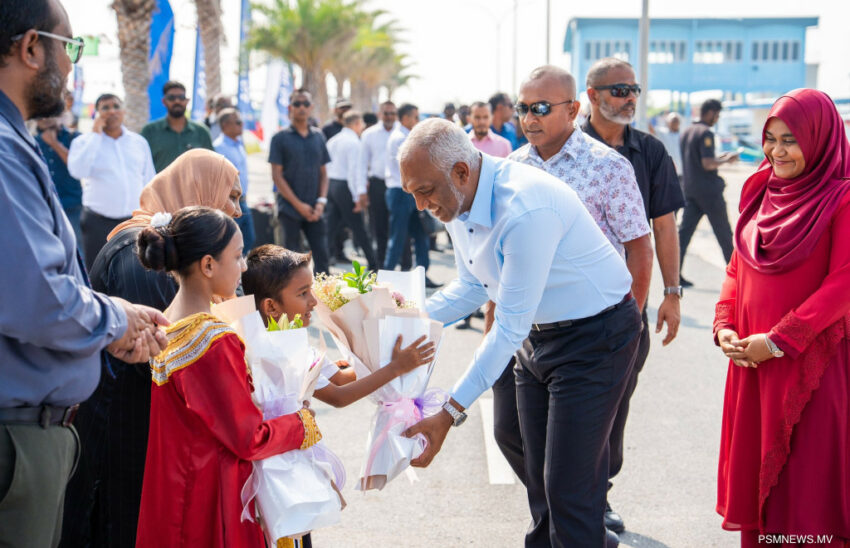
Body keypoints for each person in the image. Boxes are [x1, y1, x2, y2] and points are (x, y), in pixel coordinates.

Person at [401, 119, 642, 547]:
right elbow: (473, 286)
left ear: (461, 171)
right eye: (412, 193)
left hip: (596, 338)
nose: (421, 205)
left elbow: (507, 327)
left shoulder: (524, 208)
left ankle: (584, 534)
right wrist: (403, 318)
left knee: (566, 490)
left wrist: (449, 412)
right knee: (531, 464)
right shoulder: (456, 199)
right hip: (538, 334)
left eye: (425, 191)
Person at [0, 2, 167, 545]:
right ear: (31, 47)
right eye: (68, 46)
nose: (71, 63)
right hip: (16, 438)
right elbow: (39, 298)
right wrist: (116, 318)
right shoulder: (5, 149)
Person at [60, 149, 243, 548]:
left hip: (147, 421)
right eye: (231, 196)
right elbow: (161, 350)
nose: (237, 210)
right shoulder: (139, 253)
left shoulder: (175, 255)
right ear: (199, 190)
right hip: (125, 425)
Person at [506, 67, 652, 526]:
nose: (529, 117)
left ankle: (586, 522)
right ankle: (576, 525)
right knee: (518, 445)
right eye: (523, 108)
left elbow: (639, 246)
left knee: (571, 477)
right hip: (531, 334)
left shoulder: (608, 167)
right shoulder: (512, 168)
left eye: (540, 107)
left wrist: (630, 321)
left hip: (594, 334)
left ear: (573, 109)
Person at [134, 207, 318, 548]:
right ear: (208, 265)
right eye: (237, 256)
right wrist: (301, 424)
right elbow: (248, 438)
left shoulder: (168, 322)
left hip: (176, 482)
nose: (243, 266)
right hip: (213, 492)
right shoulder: (214, 340)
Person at [714, 89, 850, 547]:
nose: (777, 151)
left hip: (809, 366)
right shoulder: (761, 191)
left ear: (819, 138)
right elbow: (737, 268)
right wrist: (725, 326)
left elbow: (843, 283)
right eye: (770, 139)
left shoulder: (842, 198)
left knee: (807, 488)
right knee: (758, 486)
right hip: (751, 365)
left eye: (790, 140)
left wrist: (777, 341)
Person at [582, 57, 685, 534]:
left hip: (627, 307)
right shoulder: (567, 146)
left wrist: (671, 294)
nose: (629, 98)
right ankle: (562, 492)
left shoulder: (651, 152)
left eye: (633, 90)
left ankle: (597, 494)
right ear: (591, 95)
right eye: (618, 89)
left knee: (614, 404)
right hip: (565, 306)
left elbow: (664, 225)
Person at [242, 244, 436, 408]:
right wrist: (396, 367)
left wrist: (378, 356)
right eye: (302, 293)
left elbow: (342, 379)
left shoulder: (291, 341)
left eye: (311, 290)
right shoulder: (279, 351)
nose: (314, 301)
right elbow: (338, 397)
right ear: (271, 307)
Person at [68, 93, 155, 270]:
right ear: (97, 113)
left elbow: (149, 179)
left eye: (116, 106)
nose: (112, 111)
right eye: (105, 108)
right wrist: (96, 135)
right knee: (97, 272)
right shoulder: (83, 142)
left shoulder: (138, 142)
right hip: (97, 223)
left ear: (123, 111)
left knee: (132, 272)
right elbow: (77, 171)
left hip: (132, 222)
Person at [269, 89, 331, 274]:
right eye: (297, 104)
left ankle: (325, 292)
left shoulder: (318, 136)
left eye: (305, 104)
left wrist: (321, 202)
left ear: (311, 107)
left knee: (322, 257)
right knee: (291, 262)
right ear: (290, 108)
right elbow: (277, 176)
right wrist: (299, 205)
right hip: (289, 209)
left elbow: (324, 174)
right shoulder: (279, 138)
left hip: (315, 209)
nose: (301, 107)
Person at [678, 98, 738, 287]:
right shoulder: (706, 133)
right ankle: (737, 279)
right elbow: (707, 163)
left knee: (683, 235)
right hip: (709, 192)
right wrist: (727, 160)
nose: (717, 119)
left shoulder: (687, 131)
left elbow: (699, 160)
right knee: (724, 235)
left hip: (690, 190)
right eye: (717, 115)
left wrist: (720, 157)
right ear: (710, 112)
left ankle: (674, 275)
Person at [384, 103, 439, 288]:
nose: (418, 121)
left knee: (421, 233)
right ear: (406, 118)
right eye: (416, 117)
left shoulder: (406, 136)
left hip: (410, 192)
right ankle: (385, 279)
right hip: (401, 192)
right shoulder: (400, 138)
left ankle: (422, 275)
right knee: (398, 237)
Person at [326, 110, 377, 269]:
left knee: (329, 229)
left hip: (331, 185)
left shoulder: (333, 140)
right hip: (345, 187)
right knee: (359, 228)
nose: (362, 127)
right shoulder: (354, 142)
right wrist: (358, 197)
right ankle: (374, 265)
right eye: (361, 124)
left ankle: (320, 265)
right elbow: (355, 172)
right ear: (356, 123)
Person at [141, 80, 214, 173]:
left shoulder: (201, 132)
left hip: (194, 183)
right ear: (164, 101)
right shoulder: (150, 131)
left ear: (187, 101)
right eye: (171, 98)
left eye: (181, 97)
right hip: (160, 183)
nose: (177, 101)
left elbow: (211, 165)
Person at [35, 115, 82, 246]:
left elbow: (78, 168)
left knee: (76, 247)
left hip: (72, 205)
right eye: (41, 115)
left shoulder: (75, 138)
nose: (45, 118)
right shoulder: (32, 142)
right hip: (44, 207)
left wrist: (54, 144)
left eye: (49, 114)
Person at [361, 101, 397, 267]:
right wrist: (361, 190)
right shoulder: (369, 134)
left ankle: (405, 266)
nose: (389, 117)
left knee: (399, 227)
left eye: (392, 113)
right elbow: (362, 163)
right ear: (380, 114)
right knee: (379, 226)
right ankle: (380, 265)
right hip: (377, 185)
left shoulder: (403, 131)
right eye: (386, 113)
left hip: (399, 186)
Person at [214, 107, 255, 254]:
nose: (241, 125)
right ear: (225, 125)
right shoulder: (218, 147)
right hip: (229, 203)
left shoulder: (239, 143)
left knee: (249, 238)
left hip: (243, 200)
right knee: (231, 242)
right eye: (237, 122)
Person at [656, 112, 683, 181]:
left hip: (681, 173)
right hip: (667, 173)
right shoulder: (663, 133)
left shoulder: (682, 135)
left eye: (676, 120)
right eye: (673, 120)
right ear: (668, 122)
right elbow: (650, 128)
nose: (675, 122)